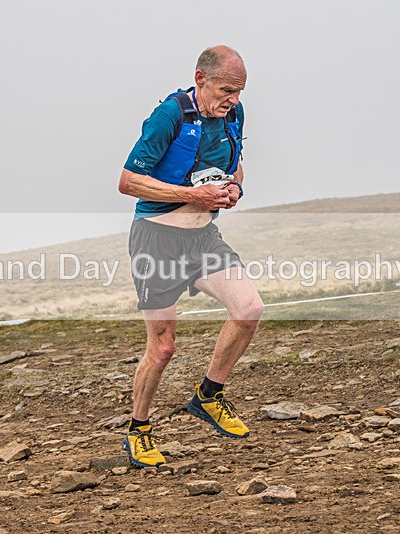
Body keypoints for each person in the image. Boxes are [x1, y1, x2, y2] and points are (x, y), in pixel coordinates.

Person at [117, 45, 264, 468]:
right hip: (156, 241)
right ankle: (138, 429)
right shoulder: (170, 115)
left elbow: (235, 168)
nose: (232, 99)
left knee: (249, 309)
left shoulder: (234, 115)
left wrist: (234, 189)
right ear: (200, 78)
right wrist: (191, 195)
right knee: (162, 349)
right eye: (225, 89)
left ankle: (208, 396)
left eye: (238, 91)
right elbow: (128, 181)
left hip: (203, 240)